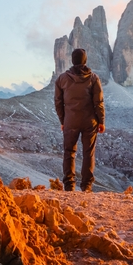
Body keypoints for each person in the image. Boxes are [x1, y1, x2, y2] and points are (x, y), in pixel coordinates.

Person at [53, 48, 105, 192]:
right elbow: (98, 102)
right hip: (90, 122)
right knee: (89, 152)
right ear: (85, 60)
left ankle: (69, 185)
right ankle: (86, 186)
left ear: (72, 60)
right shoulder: (93, 78)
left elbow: (58, 102)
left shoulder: (61, 79)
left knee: (69, 151)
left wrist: (63, 121)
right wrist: (101, 121)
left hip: (71, 121)